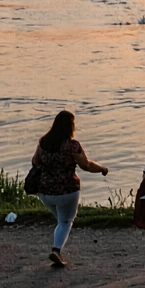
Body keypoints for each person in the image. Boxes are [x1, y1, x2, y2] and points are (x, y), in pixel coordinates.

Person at [32, 110, 108, 267]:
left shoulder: (44, 142)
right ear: (70, 126)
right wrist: (102, 168)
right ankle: (56, 250)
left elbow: (35, 162)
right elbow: (86, 165)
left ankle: (57, 247)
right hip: (67, 191)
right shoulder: (72, 146)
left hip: (45, 191)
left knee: (61, 221)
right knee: (66, 222)